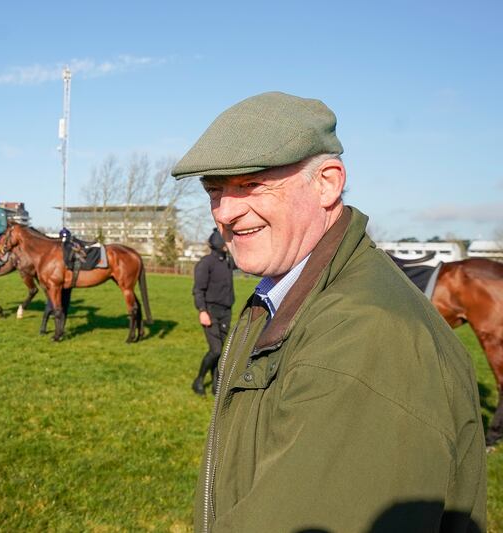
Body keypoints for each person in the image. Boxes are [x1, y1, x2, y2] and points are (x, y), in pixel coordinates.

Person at [171, 91, 486, 532]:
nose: (225, 211)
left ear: (327, 183)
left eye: (250, 185)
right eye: (215, 190)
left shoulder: (361, 337)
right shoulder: (287, 291)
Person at [191, 228, 234, 397]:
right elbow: (198, 290)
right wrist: (202, 310)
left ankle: (216, 384)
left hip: (226, 311)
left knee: (221, 351)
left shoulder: (227, 262)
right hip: (210, 311)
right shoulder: (206, 263)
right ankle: (199, 380)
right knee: (215, 350)